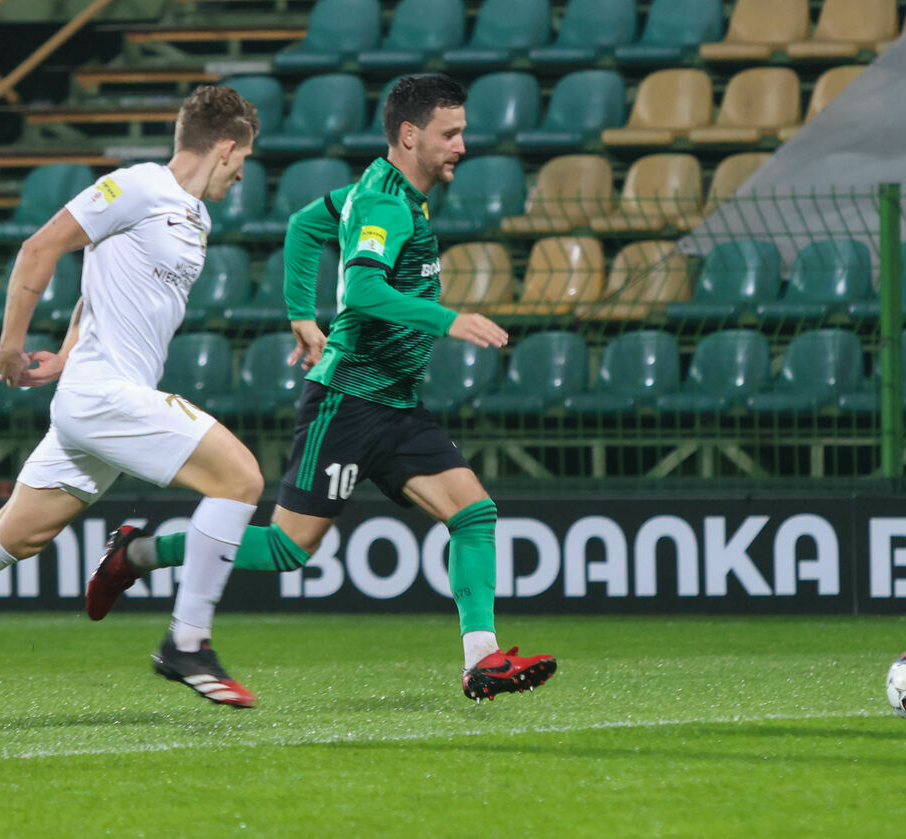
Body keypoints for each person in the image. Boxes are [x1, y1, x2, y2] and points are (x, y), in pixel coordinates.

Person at [86, 73, 557, 703]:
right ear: (409, 135)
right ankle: (138, 553)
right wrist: (449, 320)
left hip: (395, 400)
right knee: (287, 548)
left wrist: (300, 314)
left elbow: (306, 225)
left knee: (474, 514)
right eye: (450, 134)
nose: (462, 146)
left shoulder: (379, 190)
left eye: (462, 132)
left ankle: (482, 660)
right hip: (348, 402)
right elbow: (362, 290)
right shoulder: (386, 204)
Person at [0, 85, 266, 732]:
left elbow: (101, 287)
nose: (241, 177)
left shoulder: (194, 216)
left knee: (16, 533)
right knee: (241, 479)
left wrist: (68, 352)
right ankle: (188, 640)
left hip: (102, 398)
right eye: (243, 162)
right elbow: (40, 248)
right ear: (228, 147)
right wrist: (10, 345)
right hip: (105, 398)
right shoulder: (138, 186)